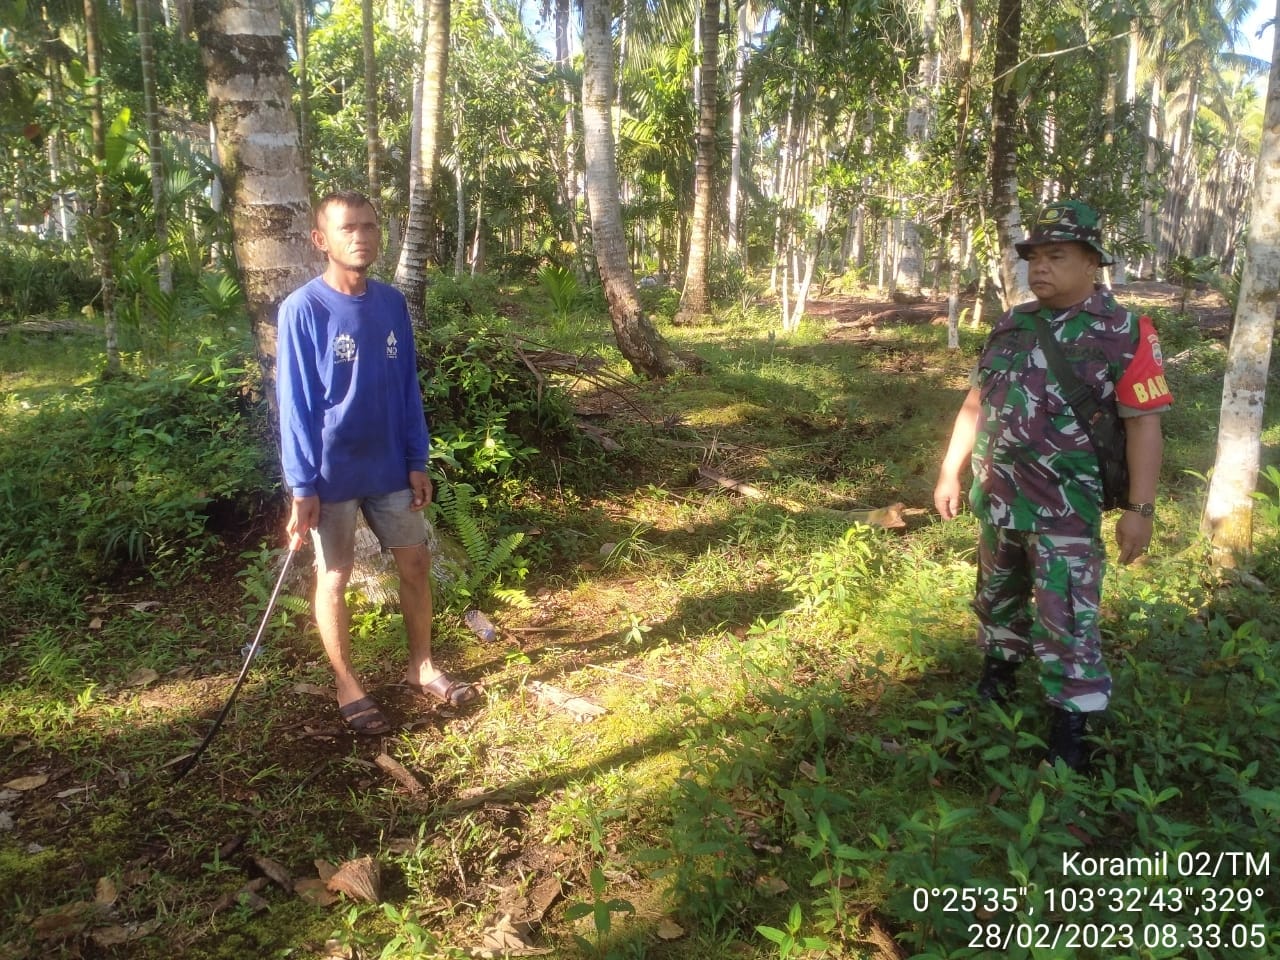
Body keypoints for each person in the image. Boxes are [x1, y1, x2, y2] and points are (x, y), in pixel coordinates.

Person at [933, 199, 1173, 771]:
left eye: (1056, 256)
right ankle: (998, 677)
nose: (1039, 268)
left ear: (1092, 263)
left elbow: (1144, 425)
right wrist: (950, 469)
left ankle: (1073, 728)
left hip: (1067, 508)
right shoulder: (1013, 323)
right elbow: (975, 401)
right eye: (1033, 258)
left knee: (1066, 613)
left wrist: (1140, 507)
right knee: (997, 596)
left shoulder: (1125, 332)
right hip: (999, 498)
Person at [277, 189, 480, 736]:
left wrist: (418, 456)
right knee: (335, 576)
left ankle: (422, 666)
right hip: (331, 473)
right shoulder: (303, 309)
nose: (360, 237)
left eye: (368, 227)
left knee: (415, 564)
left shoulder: (391, 303)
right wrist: (302, 484)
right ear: (321, 239)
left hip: (390, 464)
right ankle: (348, 684)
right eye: (347, 228)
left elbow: (406, 386)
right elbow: (295, 405)